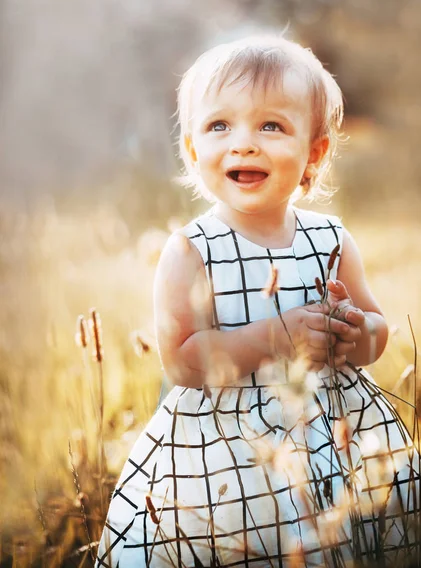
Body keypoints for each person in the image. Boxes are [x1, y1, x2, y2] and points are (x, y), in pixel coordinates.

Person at [95, 34, 419, 567]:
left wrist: (355, 332)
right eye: (220, 125)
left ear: (313, 153)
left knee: (334, 539)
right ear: (194, 150)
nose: (244, 143)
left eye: (271, 125)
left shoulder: (330, 239)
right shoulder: (191, 250)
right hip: (225, 453)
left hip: (325, 434)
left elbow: (377, 331)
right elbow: (180, 359)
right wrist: (277, 337)